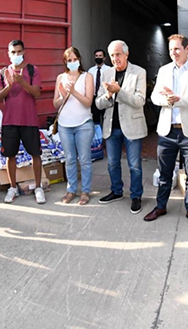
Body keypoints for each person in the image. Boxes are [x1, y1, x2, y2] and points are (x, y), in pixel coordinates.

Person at [144, 34, 188, 228]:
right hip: (167, 131)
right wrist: (167, 101)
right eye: (171, 50)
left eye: (177, 49)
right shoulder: (164, 70)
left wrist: (178, 99)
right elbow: (155, 97)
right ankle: (161, 205)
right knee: (164, 173)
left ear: (187, 49)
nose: (174, 53)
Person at [96, 40, 147, 213]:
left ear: (126, 54)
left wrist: (119, 91)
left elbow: (139, 101)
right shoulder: (106, 73)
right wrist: (108, 96)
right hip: (112, 127)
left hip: (132, 125)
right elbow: (98, 103)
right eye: (112, 55)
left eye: (118, 54)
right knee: (112, 164)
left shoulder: (139, 72)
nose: (115, 58)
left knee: (134, 165)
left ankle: (136, 196)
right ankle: (116, 191)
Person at [0, 40, 45, 204]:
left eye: (19, 51)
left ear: (24, 52)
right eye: (13, 52)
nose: (16, 55)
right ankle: (12, 187)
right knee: (10, 155)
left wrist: (22, 82)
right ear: (8, 54)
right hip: (9, 121)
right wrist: (10, 85)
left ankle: (38, 187)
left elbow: (36, 93)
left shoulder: (32, 70)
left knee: (35, 154)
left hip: (29, 120)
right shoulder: (3, 72)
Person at [53, 47, 94, 205]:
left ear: (79, 59)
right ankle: (71, 190)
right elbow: (55, 102)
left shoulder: (87, 76)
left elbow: (88, 102)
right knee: (69, 159)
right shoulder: (60, 78)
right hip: (64, 124)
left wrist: (73, 92)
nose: (72, 62)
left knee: (84, 159)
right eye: (69, 60)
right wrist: (63, 96)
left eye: (74, 59)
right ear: (65, 62)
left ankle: (85, 191)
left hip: (83, 123)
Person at [88, 49, 109, 124]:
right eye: (96, 56)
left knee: (106, 118)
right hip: (94, 97)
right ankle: (98, 134)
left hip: (105, 97)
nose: (98, 57)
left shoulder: (109, 70)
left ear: (104, 58)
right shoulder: (91, 71)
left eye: (100, 56)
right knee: (95, 119)